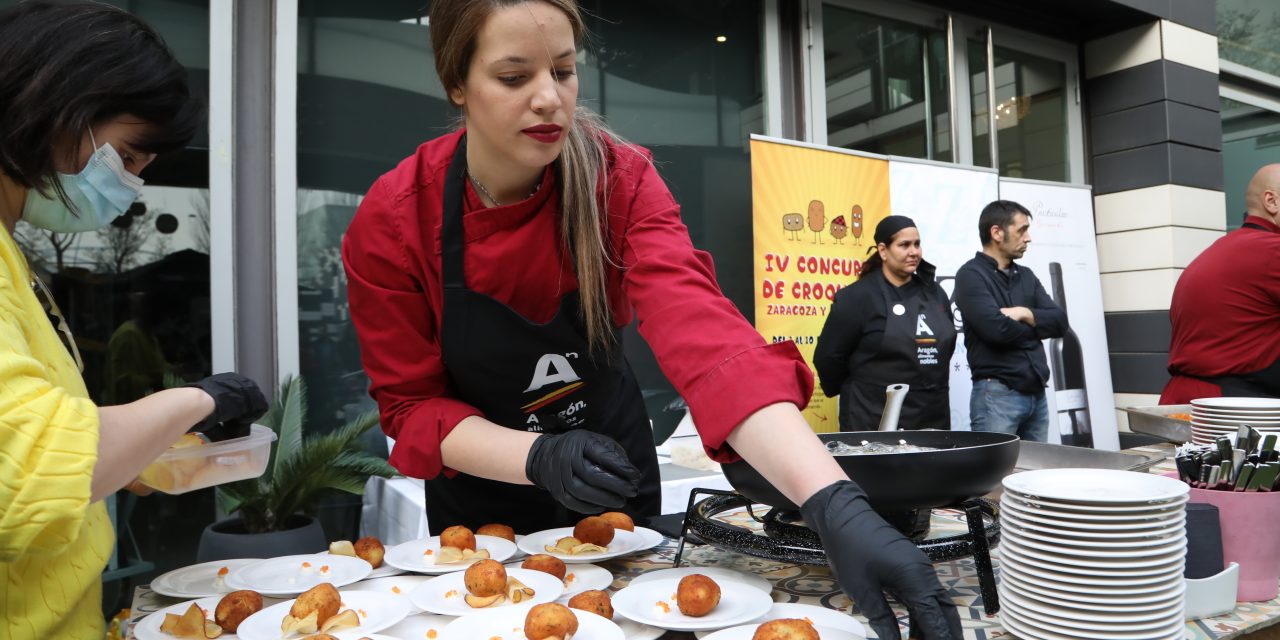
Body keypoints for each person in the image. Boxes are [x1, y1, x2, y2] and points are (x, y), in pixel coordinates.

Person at [342, 1, 961, 637]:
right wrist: (538, 456)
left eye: (563, 70)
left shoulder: (618, 178)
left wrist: (835, 504)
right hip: (482, 512)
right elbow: (412, 406)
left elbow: (704, 334)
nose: (549, 98)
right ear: (456, 84)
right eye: (512, 77)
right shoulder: (394, 222)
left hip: (615, 476)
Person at [0, 4, 267, 638]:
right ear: (54, 106)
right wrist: (196, 400)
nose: (134, 183)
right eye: (128, 155)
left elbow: (51, 437)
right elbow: (25, 472)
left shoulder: (14, 255)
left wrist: (139, 458)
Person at [814, 215, 957, 432]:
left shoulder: (935, 293)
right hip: (872, 416)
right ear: (883, 251)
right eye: (904, 245)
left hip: (931, 416)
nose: (914, 252)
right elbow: (828, 357)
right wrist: (861, 387)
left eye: (917, 244)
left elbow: (946, 345)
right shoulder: (858, 297)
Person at [1162, 164, 1280, 404]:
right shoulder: (1272, 251)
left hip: (1184, 404)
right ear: (1271, 201)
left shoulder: (1218, 250)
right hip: (1231, 412)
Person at [953, 200, 1067, 442]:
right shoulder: (970, 276)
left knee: (1033, 477)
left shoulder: (1025, 275)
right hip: (997, 395)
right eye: (1022, 230)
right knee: (994, 476)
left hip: (1037, 395)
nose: (1028, 238)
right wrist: (1037, 328)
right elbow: (997, 330)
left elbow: (1060, 322)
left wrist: (1025, 313)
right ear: (996, 233)